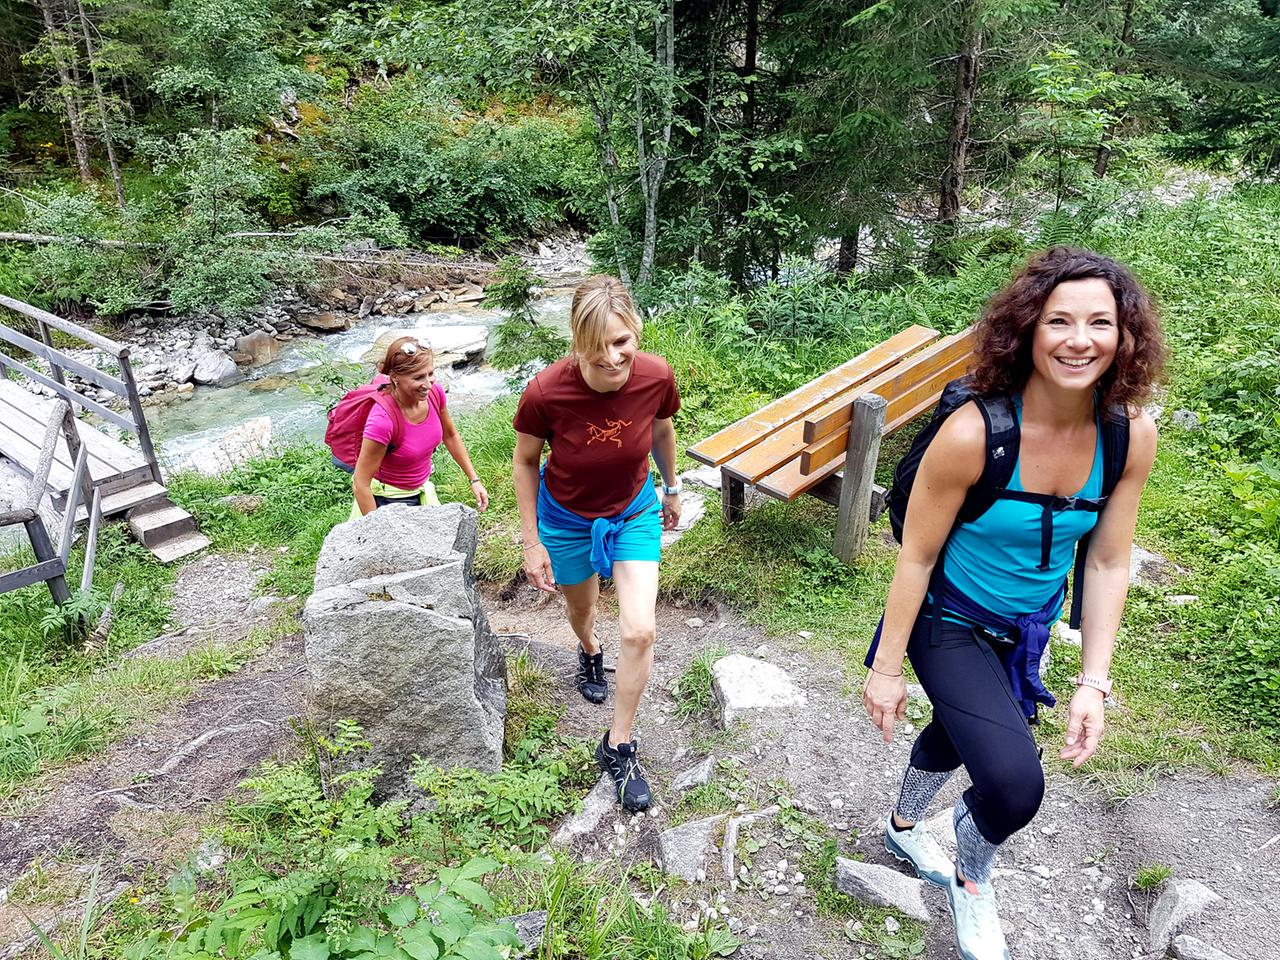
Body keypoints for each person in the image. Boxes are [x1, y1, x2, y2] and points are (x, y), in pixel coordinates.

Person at [861, 248, 1166, 960]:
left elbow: (1111, 558)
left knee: (964, 732)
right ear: (1028, 330)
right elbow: (918, 554)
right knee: (1012, 783)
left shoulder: (1128, 436)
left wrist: (1094, 679)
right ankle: (972, 878)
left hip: (1026, 627)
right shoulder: (975, 433)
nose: (1079, 339)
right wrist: (885, 666)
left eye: (1100, 322)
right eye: (1059, 320)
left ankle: (904, 829)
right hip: (949, 621)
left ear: (1125, 337)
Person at [512, 275, 682, 812]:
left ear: (636, 330)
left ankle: (618, 745)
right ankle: (588, 651)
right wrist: (531, 541)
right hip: (565, 519)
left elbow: (659, 433)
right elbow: (524, 461)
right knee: (580, 609)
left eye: (622, 341)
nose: (612, 358)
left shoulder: (656, 376)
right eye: (597, 347)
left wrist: (672, 487)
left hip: (633, 510)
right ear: (577, 342)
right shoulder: (546, 391)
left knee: (641, 629)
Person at [351, 336, 489, 518]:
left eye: (430, 374)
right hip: (386, 501)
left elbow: (450, 435)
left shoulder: (434, 394)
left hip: (422, 491)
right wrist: (378, 530)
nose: (427, 384)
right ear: (394, 378)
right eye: (418, 377)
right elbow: (360, 484)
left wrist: (474, 479)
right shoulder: (382, 421)